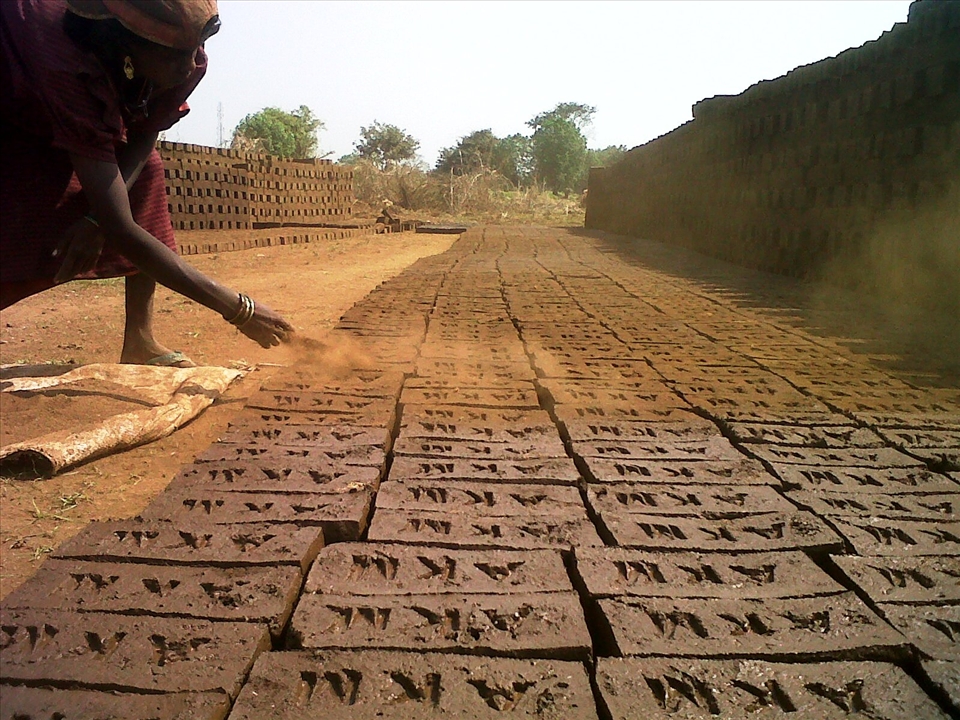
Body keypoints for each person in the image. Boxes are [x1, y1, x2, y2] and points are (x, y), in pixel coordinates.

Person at [0, 0, 293, 366]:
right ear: (126, 44)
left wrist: (96, 218)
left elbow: (145, 130)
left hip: (52, 100)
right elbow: (120, 228)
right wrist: (240, 310)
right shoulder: (63, 55)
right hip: (15, 96)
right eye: (174, 57)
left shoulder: (179, 40)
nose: (190, 67)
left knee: (145, 172)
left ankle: (140, 340)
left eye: (193, 52)